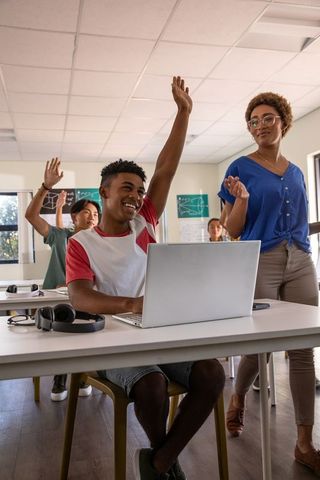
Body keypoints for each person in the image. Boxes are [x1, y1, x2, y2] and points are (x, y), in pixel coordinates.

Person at [66, 76, 225, 480]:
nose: (136, 195)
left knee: (212, 373)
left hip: (157, 330)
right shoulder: (81, 242)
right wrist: (131, 305)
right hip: (111, 340)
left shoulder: (145, 222)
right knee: (151, 385)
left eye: (139, 190)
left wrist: (183, 113)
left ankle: (159, 461)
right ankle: (165, 461)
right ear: (104, 192)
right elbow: (82, 299)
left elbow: (166, 169)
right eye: (126, 188)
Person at [218, 91, 320, 476]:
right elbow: (233, 228)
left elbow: (299, 222)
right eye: (254, 120)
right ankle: (239, 397)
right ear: (250, 128)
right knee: (259, 348)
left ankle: (304, 442)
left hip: (300, 260)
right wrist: (241, 199)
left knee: (302, 349)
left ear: (283, 122)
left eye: (268, 118)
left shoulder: (295, 172)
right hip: (261, 260)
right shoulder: (240, 168)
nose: (261, 125)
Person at [25, 158, 101, 401]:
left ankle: (81, 375)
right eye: (87, 213)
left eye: (96, 214)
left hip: (85, 302)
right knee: (61, 334)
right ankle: (60, 378)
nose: (92, 218)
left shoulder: (102, 243)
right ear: (75, 217)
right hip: (56, 300)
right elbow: (31, 215)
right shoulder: (60, 236)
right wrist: (46, 187)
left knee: (87, 333)